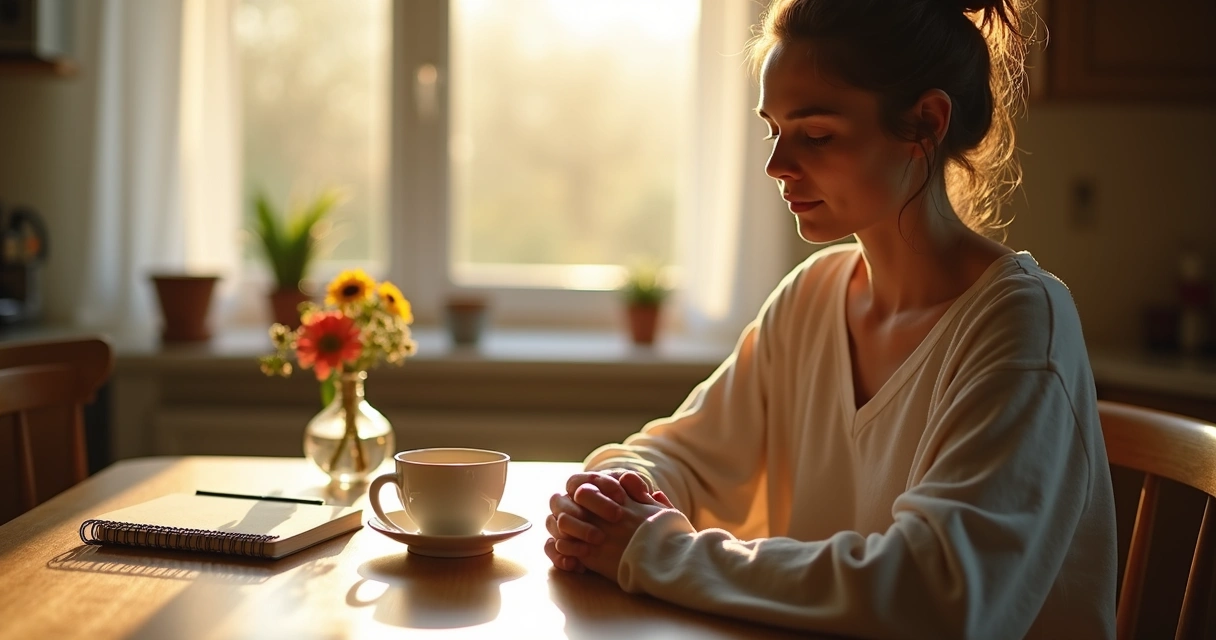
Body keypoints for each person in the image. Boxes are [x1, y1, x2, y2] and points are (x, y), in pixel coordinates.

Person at [543, 0, 1118, 638]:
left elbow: (935, 598)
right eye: (773, 131)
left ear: (925, 123)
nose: (777, 166)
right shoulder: (813, 295)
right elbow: (686, 453)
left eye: (815, 135)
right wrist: (614, 492)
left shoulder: (1020, 325)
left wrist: (654, 549)